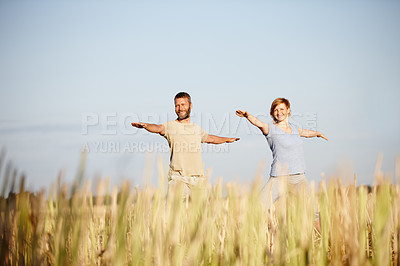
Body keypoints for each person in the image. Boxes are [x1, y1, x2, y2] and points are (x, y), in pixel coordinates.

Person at [132, 92, 239, 197]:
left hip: (198, 180)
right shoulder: (170, 126)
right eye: (177, 105)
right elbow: (158, 128)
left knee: (200, 213)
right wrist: (146, 126)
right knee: (178, 213)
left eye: (183, 104)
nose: (180, 108)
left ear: (190, 105)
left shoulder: (196, 128)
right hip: (178, 178)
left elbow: (210, 138)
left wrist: (226, 139)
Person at [236, 98, 328, 211]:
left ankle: (321, 229)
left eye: (282, 109)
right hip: (278, 178)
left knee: (313, 212)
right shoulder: (270, 129)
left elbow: (304, 132)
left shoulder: (294, 128)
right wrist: (247, 116)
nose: (279, 112)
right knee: (259, 207)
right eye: (275, 110)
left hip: (299, 177)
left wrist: (317, 133)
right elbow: (258, 123)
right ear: (272, 113)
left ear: (288, 110)